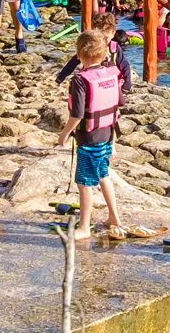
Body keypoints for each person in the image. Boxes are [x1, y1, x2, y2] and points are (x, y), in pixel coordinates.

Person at [55, 31, 132, 239]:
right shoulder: (111, 72)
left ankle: (84, 227)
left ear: (78, 55)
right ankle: (114, 217)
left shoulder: (80, 80)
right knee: (103, 174)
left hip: (88, 139)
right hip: (107, 134)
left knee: (84, 182)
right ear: (105, 53)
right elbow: (120, 103)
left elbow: (77, 114)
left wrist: (63, 135)